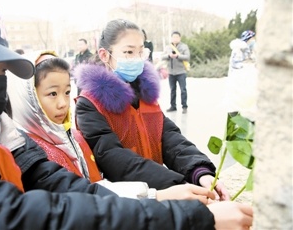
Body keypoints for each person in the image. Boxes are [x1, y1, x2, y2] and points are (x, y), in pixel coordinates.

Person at [0, 0, 253, 230]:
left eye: (0, 68)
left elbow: (62, 185)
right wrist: (183, 217)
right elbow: (30, 216)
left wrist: (173, 189)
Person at [7, 50, 219, 203]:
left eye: (67, 92)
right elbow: (85, 197)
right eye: (52, 93)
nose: (63, 103)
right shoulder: (28, 151)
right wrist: (163, 192)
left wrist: (197, 172)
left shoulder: (72, 136)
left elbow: (97, 186)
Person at [74, 19, 229, 199]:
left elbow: (170, 139)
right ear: (104, 55)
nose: (137, 58)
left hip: (164, 194)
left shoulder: (146, 94)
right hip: (127, 204)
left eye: (141, 51)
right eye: (128, 52)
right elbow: (115, 160)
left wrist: (200, 173)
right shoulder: (90, 104)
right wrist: (178, 185)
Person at [162, 31, 190, 113]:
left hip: (181, 72)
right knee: (172, 90)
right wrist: (168, 56)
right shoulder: (168, 47)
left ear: (179, 38)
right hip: (171, 72)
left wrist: (178, 56)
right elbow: (162, 57)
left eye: (177, 37)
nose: (175, 39)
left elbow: (187, 57)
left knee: (183, 90)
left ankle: (184, 106)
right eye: (173, 37)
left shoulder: (184, 47)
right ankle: (173, 106)